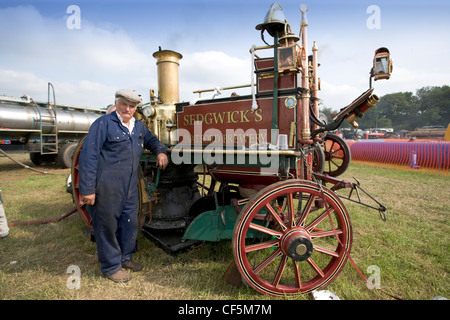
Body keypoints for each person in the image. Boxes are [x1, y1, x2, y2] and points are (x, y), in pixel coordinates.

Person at [79, 89, 168, 283]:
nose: (128, 109)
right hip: (107, 185)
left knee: (129, 221)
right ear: (117, 103)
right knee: (107, 225)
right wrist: (87, 190)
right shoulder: (103, 124)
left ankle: (125, 258)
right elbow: (89, 156)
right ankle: (111, 266)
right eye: (124, 104)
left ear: (136, 108)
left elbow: (152, 140)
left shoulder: (138, 127)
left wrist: (160, 151)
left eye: (132, 106)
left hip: (130, 184)